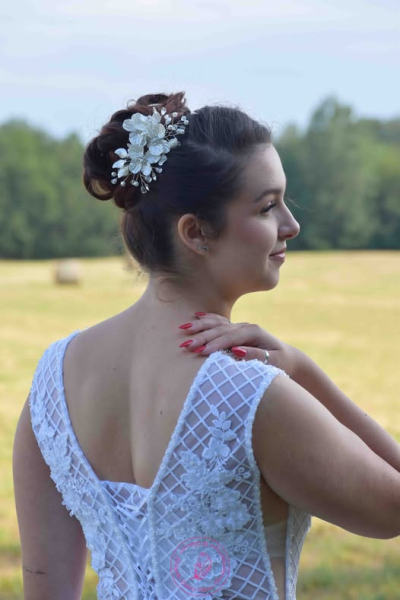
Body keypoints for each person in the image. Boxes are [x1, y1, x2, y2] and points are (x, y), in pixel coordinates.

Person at [13, 91, 400, 600]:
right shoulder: (250, 396)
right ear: (195, 232)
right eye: (267, 207)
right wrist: (303, 371)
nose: (291, 225)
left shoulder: (52, 384)